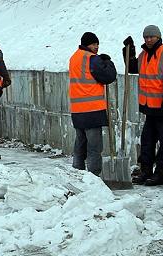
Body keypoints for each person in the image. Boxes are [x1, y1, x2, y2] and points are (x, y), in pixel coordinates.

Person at [123, 25, 163, 186]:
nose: (148, 40)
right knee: (147, 140)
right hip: (151, 108)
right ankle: (146, 171)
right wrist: (129, 51)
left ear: (158, 37)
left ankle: (160, 174)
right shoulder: (143, 55)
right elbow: (132, 68)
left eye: (151, 37)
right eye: (146, 37)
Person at [68, 32, 117, 176]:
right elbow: (108, 77)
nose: (96, 47)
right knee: (94, 147)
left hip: (77, 109)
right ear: (86, 44)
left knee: (80, 144)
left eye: (97, 44)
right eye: (94, 44)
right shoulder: (91, 58)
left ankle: (77, 172)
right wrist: (108, 63)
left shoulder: (74, 57)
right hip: (92, 110)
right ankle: (94, 177)